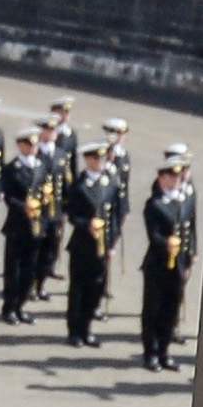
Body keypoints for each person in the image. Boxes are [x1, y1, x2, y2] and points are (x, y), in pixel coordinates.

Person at [60, 123, 129, 346]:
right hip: (82, 245)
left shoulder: (109, 183)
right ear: (88, 160)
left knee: (95, 289)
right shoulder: (80, 186)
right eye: (95, 159)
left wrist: (112, 243)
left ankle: (87, 328)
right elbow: (71, 214)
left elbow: (116, 215)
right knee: (78, 289)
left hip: (103, 245)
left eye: (102, 159)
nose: (100, 163)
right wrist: (86, 224)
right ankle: (74, 331)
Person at [135, 149, 200, 370]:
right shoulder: (154, 204)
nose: (175, 180)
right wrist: (166, 244)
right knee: (153, 309)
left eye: (178, 176)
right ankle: (150, 353)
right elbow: (154, 236)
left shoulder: (184, 201)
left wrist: (190, 258)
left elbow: (190, 230)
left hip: (179, 265)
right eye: (171, 176)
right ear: (161, 177)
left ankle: (164, 351)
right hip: (158, 265)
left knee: (170, 310)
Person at [0, 118, 61, 325]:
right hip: (17, 225)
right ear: (20, 145)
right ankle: (9, 308)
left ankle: (21, 305)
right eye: (28, 145)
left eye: (35, 144)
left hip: (37, 225)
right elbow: (7, 196)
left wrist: (46, 208)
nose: (32, 148)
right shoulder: (11, 169)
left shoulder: (41, 167)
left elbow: (45, 192)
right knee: (13, 269)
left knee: (30, 270)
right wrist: (24, 206)